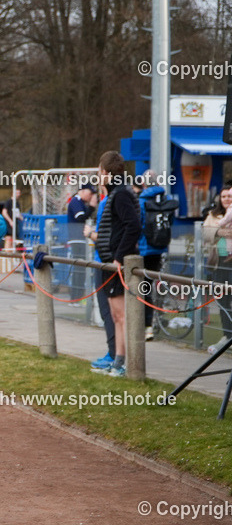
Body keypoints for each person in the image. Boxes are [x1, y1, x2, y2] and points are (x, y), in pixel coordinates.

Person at [90, 151, 140, 377]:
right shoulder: (114, 194)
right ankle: (118, 360)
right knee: (115, 315)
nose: (98, 176)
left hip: (116, 263)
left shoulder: (121, 194)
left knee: (121, 315)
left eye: (99, 171)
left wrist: (118, 257)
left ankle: (126, 362)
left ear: (106, 172)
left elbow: (133, 225)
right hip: (108, 263)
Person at [135, 170, 170, 341]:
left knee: (142, 287)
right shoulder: (166, 199)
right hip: (161, 247)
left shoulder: (141, 201)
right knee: (153, 285)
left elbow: (137, 224)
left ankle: (144, 325)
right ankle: (154, 323)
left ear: (143, 184)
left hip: (144, 248)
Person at [84, 188, 116, 369]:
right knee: (115, 313)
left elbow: (105, 237)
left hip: (105, 262)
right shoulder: (120, 199)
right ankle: (117, 354)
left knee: (109, 311)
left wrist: (90, 233)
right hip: (112, 261)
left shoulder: (108, 202)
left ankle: (114, 354)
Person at [204, 186, 232, 354]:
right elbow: (206, 234)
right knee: (222, 299)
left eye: (229, 196)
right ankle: (227, 335)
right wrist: (221, 232)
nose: (227, 199)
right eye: (223, 196)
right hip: (219, 261)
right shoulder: (213, 215)